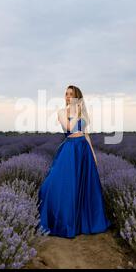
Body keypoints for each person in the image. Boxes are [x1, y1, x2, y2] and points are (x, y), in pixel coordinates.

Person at [38, 85, 112, 238]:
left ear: (77, 97)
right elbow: (69, 128)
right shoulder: (61, 112)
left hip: (83, 151)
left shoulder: (83, 114)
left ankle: (83, 223)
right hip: (70, 149)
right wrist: (75, 113)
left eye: (71, 94)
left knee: (84, 186)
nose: (67, 97)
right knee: (59, 184)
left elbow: (86, 135)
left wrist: (94, 154)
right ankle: (64, 222)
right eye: (66, 94)